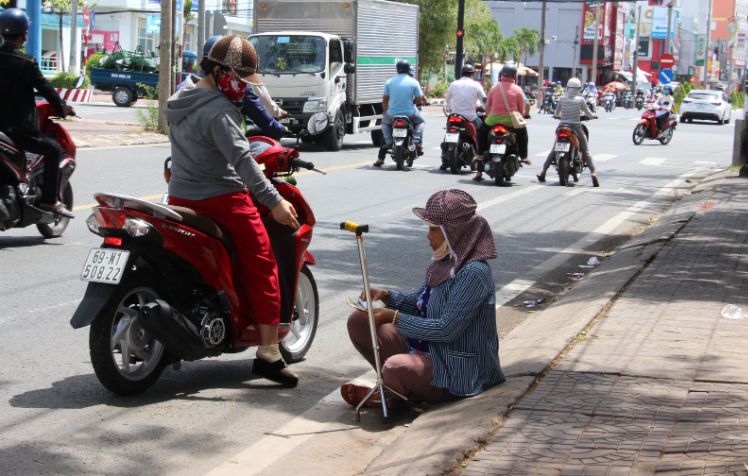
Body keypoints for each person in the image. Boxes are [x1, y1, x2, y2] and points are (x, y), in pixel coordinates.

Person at [164, 35, 300, 387]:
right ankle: (269, 353)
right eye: (239, 79)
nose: (242, 87)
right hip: (223, 199)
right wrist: (275, 201)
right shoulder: (219, 110)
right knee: (263, 258)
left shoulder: (182, 96)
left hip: (179, 198)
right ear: (220, 71)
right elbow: (242, 162)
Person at [341, 189, 506, 408]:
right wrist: (388, 296)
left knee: (395, 368)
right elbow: (421, 302)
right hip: (430, 351)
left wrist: (395, 318)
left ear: (454, 233)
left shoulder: (473, 273)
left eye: (434, 229)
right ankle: (397, 389)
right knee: (360, 321)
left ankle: (395, 395)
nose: (429, 236)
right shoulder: (446, 263)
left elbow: (446, 330)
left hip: (461, 370)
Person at [0, 8, 75, 219]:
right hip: (18, 132)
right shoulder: (26, 62)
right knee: (53, 149)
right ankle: (50, 200)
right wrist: (62, 108)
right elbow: (47, 90)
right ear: (25, 33)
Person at [537, 78, 599, 187]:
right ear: (578, 89)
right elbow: (588, 113)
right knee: (585, 150)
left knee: (553, 150)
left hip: (562, 127)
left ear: (568, 88)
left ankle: (543, 172)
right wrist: (594, 115)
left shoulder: (562, 99)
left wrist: (559, 116)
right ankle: (593, 173)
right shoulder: (581, 100)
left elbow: (556, 114)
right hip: (576, 127)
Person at [473, 64, 530, 181]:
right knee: (522, 134)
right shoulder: (518, 90)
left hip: (493, 119)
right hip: (510, 120)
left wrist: (490, 115)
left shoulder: (494, 88)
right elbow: (520, 110)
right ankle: (523, 156)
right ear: (515, 75)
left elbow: (488, 107)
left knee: (482, 132)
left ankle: (480, 154)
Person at [374, 60, 426, 167]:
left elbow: (385, 99)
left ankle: (385, 147)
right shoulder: (414, 82)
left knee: (385, 123)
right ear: (408, 70)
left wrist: (385, 111)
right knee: (421, 121)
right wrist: (411, 102)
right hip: (409, 113)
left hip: (392, 113)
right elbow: (419, 99)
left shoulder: (389, 82)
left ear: (397, 70)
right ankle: (416, 140)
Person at [441, 64, 486, 170]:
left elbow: (448, 99)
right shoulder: (476, 85)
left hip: (454, 116)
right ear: (472, 74)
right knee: (482, 131)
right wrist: (486, 109)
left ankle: (444, 158)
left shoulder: (454, 84)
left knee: (448, 132)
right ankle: (479, 156)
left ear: (462, 73)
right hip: (470, 117)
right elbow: (484, 100)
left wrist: (450, 108)